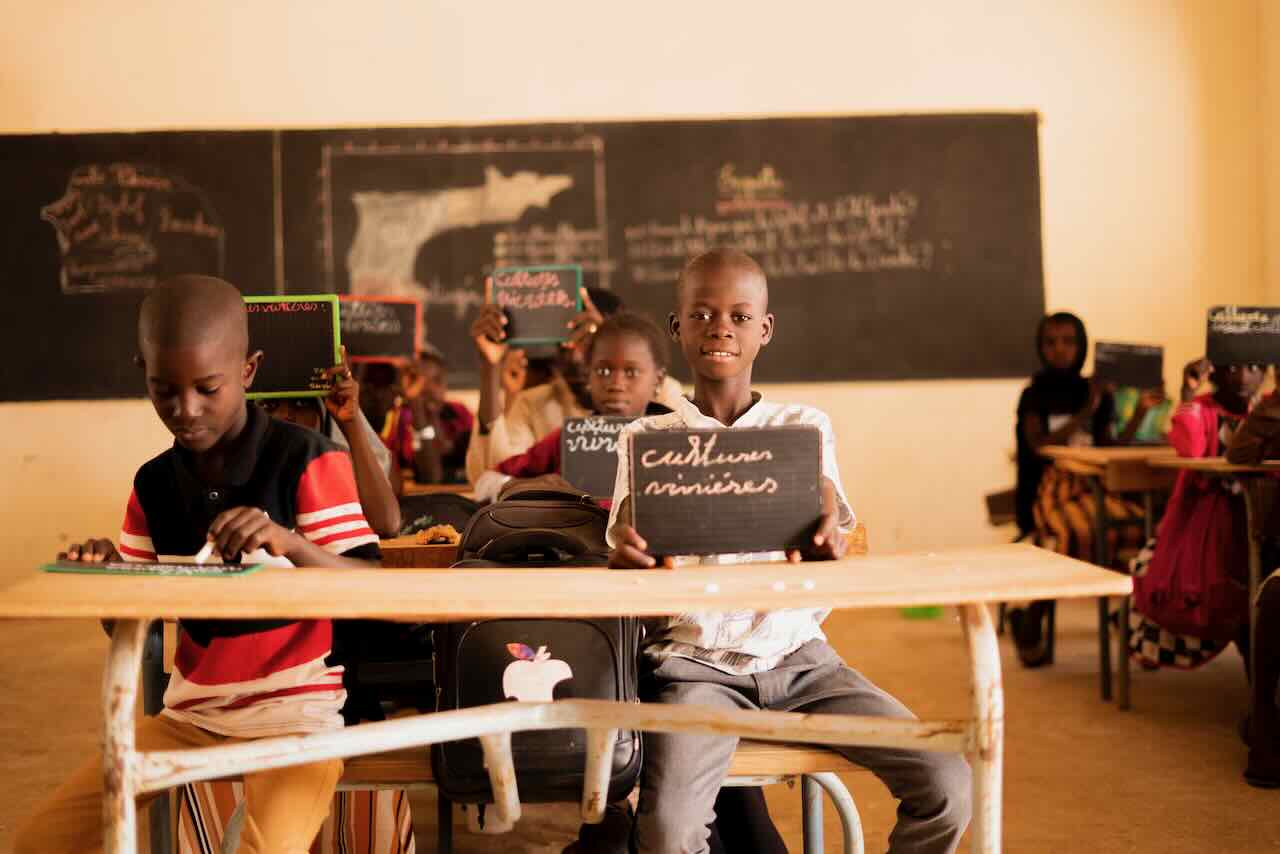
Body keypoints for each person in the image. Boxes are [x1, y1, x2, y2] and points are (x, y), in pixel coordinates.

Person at [607, 249, 971, 854]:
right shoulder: (646, 439)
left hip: (802, 661)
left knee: (948, 781)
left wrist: (831, 536)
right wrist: (630, 554)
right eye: (701, 313)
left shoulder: (804, 427)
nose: (721, 327)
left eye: (740, 316)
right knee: (669, 832)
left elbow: (832, 517)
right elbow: (624, 530)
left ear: (764, 330)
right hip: (693, 669)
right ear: (677, 328)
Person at [15, 275, 382, 854]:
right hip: (187, 720)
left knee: (268, 849)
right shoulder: (153, 483)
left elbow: (375, 591)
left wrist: (291, 543)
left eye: (207, 388)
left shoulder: (308, 459)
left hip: (295, 721)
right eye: (165, 390)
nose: (185, 410)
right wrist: (110, 579)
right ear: (145, 372)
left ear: (248, 371)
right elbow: (126, 624)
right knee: (40, 840)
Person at [1008, 312, 1161, 666]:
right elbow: (1038, 445)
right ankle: (1034, 617)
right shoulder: (1034, 394)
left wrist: (1138, 412)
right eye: (1050, 342)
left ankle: (1130, 619)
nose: (1059, 349)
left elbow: (1109, 447)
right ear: (1040, 347)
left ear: (1081, 346)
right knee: (1073, 534)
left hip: (1095, 488)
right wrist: (1086, 410)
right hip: (1049, 489)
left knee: (1139, 528)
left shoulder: (1095, 390)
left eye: (1068, 341)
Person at [1125, 358, 1263, 672]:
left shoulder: (1265, 410)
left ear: (1266, 372)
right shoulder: (1202, 409)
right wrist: (1187, 394)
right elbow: (1190, 449)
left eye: (1253, 367)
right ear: (1214, 373)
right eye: (1232, 367)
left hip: (1257, 516)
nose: (1242, 376)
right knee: (1179, 581)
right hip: (1206, 520)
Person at [465, 287, 685, 483]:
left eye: (587, 343)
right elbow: (489, 477)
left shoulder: (668, 407)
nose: (576, 357)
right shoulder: (541, 412)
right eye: (604, 369)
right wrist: (490, 369)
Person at [258, 346, 401, 537]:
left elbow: (386, 525)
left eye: (301, 404)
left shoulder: (331, 470)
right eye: (269, 405)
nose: (285, 416)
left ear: (323, 418)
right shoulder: (243, 468)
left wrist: (351, 423)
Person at [380, 347, 474, 485]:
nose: (429, 388)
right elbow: (430, 475)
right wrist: (416, 405)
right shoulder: (401, 418)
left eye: (437, 380)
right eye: (418, 380)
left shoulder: (459, 412)